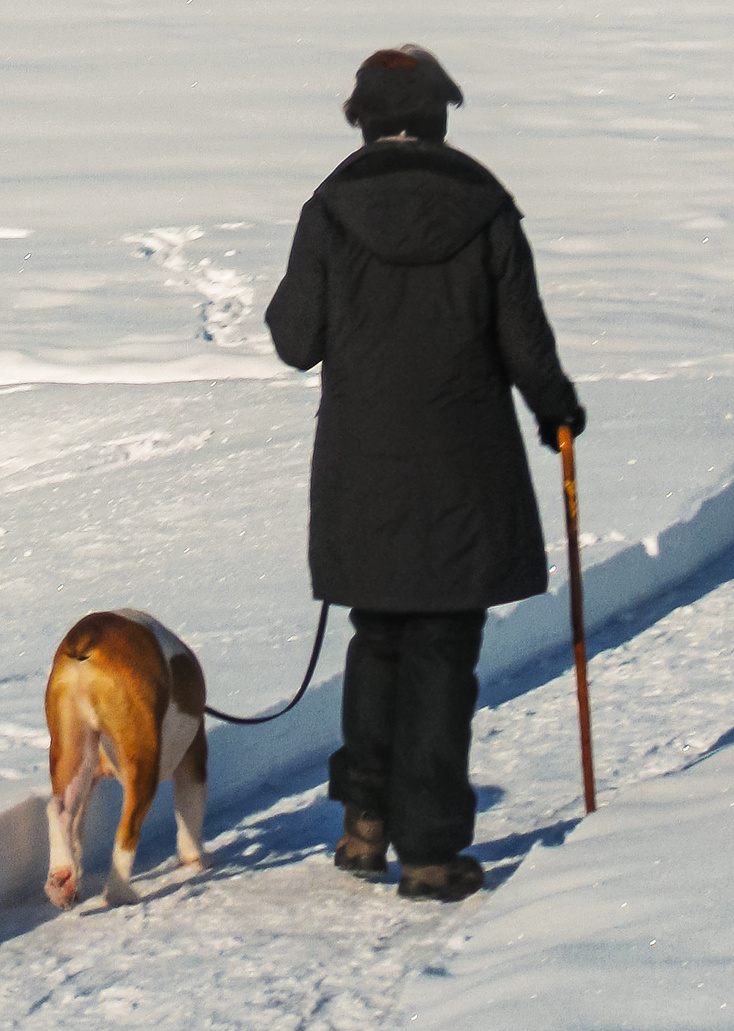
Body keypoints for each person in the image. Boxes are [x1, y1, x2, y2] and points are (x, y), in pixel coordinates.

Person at [265, 45, 584, 902]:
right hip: (464, 471)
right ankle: (434, 852)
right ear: (440, 115)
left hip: (363, 473)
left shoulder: (329, 210)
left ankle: (365, 826)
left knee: (378, 638)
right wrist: (555, 409)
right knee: (443, 648)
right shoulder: (484, 208)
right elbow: (525, 336)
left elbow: (294, 342)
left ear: (362, 120)